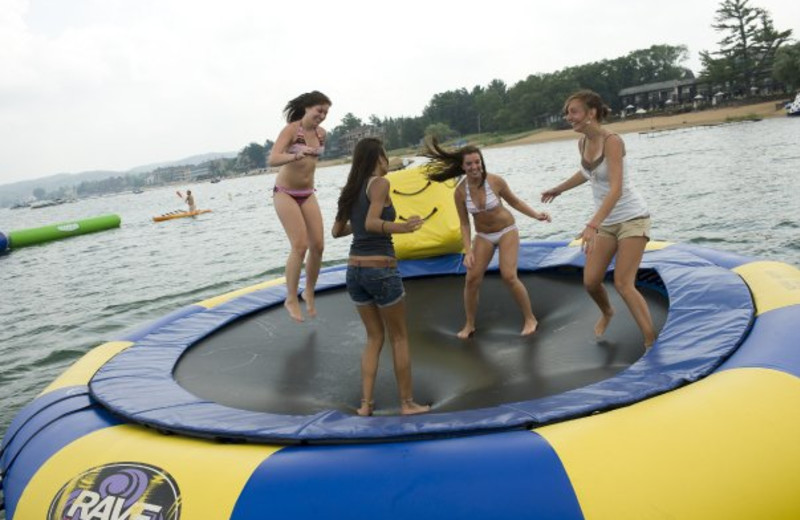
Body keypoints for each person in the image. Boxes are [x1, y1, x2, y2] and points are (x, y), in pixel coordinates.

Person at [541, 89, 656, 349]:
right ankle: (608, 312)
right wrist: (558, 188)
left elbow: (615, 189)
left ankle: (650, 341)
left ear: (591, 113)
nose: (568, 117)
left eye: (573, 112)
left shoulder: (612, 141)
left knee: (623, 283)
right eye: (567, 113)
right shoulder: (582, 143)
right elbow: (586, 172)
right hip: (606, 221)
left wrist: (592, 224)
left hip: (631, 218)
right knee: (591, 281)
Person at [331, 137, 430, 417]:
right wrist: (404, 227)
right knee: (399, 337)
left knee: (374, 338)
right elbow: (374, 223)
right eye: (385, 155)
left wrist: (360, 227)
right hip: (380, 267)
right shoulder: (380, 184)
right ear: (378, 157)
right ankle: (407, 403)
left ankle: (366, 405)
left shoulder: (349, 190)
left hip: (354, 270)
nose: (387, 160)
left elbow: (337, 231)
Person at [424, 138, 552, 339]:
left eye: (477, 162)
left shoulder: (495, 181)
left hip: (506, 230)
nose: (475, 167)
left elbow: (515, 202)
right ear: (462, 166)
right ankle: (469, 325)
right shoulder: (459, 192)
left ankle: (530, 318)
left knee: (508, 275)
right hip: (483, 236)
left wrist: (536, 215)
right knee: (471, 279)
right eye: (470, 163)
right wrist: (467, 251)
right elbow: (465, 224)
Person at [267, 91, 332, 322]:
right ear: (306, 108)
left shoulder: (322, 134)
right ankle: (291, 297)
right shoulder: (292, 130)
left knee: (319, 245)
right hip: (285, 193)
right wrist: (295, 156)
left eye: (326, 112)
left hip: (307, 193)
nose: (322, 115)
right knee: (300, 245)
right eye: (319, 110)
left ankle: (309, 290)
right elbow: (273, 159)